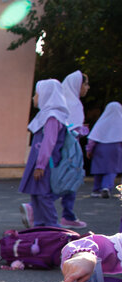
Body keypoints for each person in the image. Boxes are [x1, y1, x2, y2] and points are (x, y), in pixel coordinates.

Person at [19, 80, 82, 229]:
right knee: (36, 195)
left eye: (36, 94)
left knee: (44, 195)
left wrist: (40, 164)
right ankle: (40, 228)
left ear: (46, 95)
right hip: (41, 163)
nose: (34, 97)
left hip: (47, 164)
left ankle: (52, 228)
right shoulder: (47, 115)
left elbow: (49, 141)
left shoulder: (52, 116)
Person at [58, 70, 89, 226]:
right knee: (69, 180)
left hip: (61, 149)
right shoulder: (74, 104)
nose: (87, 87)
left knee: (63, 180)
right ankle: (67, 216)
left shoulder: (61, 102)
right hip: (71, 151)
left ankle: (68, 215)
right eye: (86, 84)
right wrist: (82, 131)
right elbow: (71, 130)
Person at [87, 101, 121, 199]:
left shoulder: (102, 121)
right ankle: (106, 187)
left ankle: (96, 189)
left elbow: (92, 138)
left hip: (100, 147)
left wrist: (89, 150)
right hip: (116, 148)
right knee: (111, 169)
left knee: (99, 168)